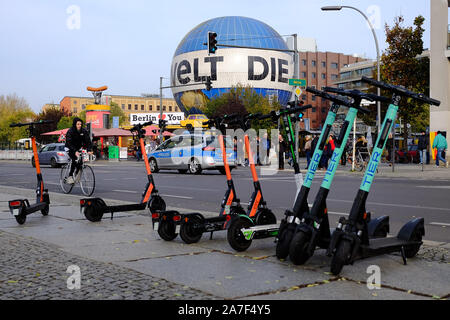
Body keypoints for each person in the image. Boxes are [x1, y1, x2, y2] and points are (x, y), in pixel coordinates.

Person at [64, 117, 93, 184]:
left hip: (78, 148)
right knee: (74, 159)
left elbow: (88, 141)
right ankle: (70, 176)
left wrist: (89, 149)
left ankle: (77, 175)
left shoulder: (84, 131)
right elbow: (69, 142)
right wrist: (75, 151)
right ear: (75, 124)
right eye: (78, 124)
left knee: (80, 163)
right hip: (69, 147)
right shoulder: (70, 131)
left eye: (80, 124)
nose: (79, 125)